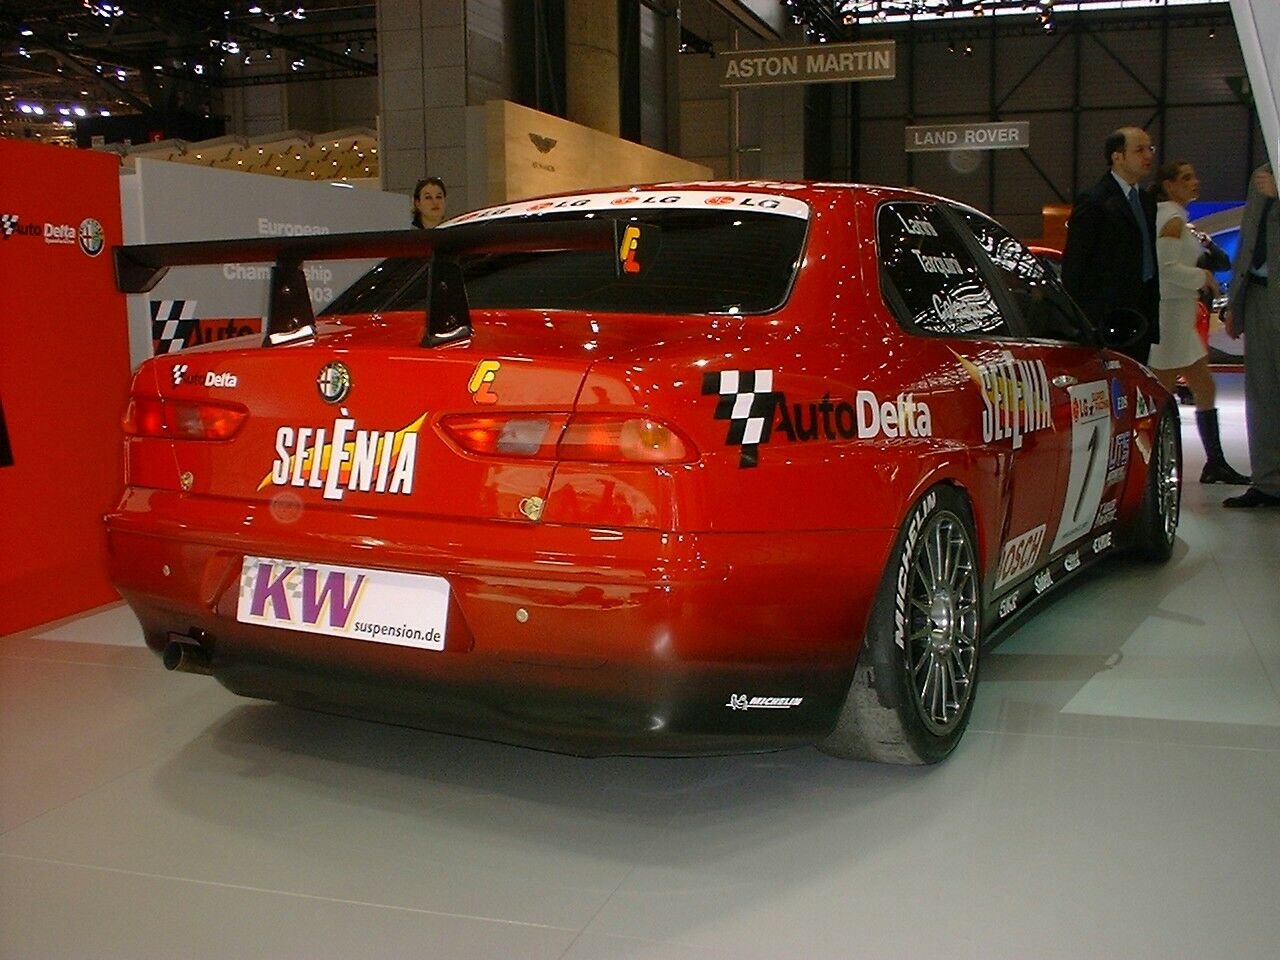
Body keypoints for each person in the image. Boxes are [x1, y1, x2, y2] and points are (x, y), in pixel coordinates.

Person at [1147, 159, 1249, 485]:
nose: (1195, 182)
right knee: (1160, 396)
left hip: (1179, 318)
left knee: (1203, 385)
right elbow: (1166, 270)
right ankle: (1150, 465)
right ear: (1169, 185)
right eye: (1187, 178)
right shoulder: (1171, 218)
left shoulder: (1174, 218)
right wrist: (1202, 276)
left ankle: (1214, 462)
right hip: (1170, 317)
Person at [1062, 127, 1160, 364]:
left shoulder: (1146, 201)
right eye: (1139, 150)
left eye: (1150, 149)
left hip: (1142, 314)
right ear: (1117, 157)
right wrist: (1083, 322)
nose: (1148, 156)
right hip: (1107, 319)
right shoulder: (1095, 201)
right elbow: (1075, 264)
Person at [1222, 164, 1280, 508]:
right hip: (1259, 293)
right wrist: (1237, 305)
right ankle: (1269, 482)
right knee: (1262, 391)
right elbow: (1248, 238)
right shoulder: (1260, 173)